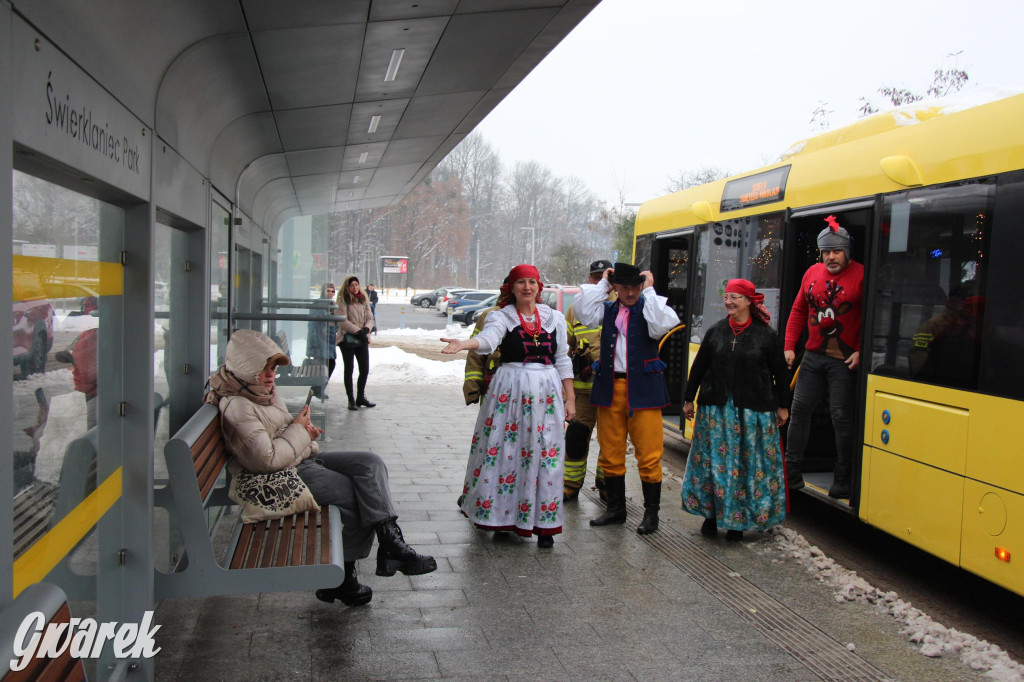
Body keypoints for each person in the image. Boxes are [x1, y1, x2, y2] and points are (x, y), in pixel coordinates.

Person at [206, 329, 436, 607]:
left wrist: (300, 431)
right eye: (262, 369)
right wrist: (298, 430)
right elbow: (265, 461)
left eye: (272, 368)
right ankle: (342, 580)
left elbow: (279, 436)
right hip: (281, 477)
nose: (270, 375)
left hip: (299, 459)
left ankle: (390, 542)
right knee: (356, 495)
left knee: (369, 464)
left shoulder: (258, 392)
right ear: (244, 369)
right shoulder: (240, 407)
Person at [441, 264, 575, 548]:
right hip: (509, 390)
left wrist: (570, 398)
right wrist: (465, 343)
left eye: (532, 282)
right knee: (506, 452)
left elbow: (562, 358)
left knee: (545, 454)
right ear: (511, 288)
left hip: (547, 393)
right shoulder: (501, 317)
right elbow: (488, 340)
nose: (527, 287)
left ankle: (544, 525)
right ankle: (501, 516)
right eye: (521, 283)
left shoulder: (555, 318)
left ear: (539, 286)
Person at [574, 263, 680, 535]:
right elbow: (583, 311)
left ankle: (651, 513)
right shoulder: (607, 310)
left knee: (649, 453)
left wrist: (651, 288)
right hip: (610, 388)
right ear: (616, 289)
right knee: (611, 452)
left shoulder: (648, 308)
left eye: (635, 287)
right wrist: (603, 285)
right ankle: (616, 509)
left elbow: (665, 323)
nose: (631, 292)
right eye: (624, 287)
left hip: (643, 391)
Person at [681, 279, 789, 542]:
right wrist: (688, 399)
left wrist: (783, 406)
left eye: (735, 297)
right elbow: (699, 367)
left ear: (750, 302)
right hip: (716, 410)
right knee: (714, 465)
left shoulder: (766, 335)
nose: (729, 302)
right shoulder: (716, 331)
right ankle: (712, 515)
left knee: (744, 466)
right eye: (727, 296)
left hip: (752, 412)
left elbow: (781, 374)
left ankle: (737, 523)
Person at [784, 215, 864, 499]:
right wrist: (790, 346)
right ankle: (791, 473)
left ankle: (843, 479)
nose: (831, 257)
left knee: (841, 417)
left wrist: (861, 350)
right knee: (799, 411)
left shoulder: (862, 274)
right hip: (813, 356)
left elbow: (874, 316)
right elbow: (797, 311)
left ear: (847, 252)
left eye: (836, 251)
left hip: (844, 361)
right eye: (826, 252)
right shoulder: (811, 273)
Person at [562, 259, 614, 503]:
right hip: (583, 393)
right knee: (575, 439)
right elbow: (563, 351)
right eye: (594, 278)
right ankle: (570, 485)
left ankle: (607, 485)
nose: (597, 282)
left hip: (613, 391)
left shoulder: (621, 306)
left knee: (610, 441)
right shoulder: (576, 310)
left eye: (602, 278)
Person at [462, 279, 506, 406]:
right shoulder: (491, 315)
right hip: (494, 382)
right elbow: (475, 355)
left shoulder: (539, 317)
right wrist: (472, 387)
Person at [336, 275, 376, 410]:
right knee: (349, 369)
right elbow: (342, 320)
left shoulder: (363, 299)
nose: (355, 287)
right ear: (347, 287)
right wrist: (357, 331)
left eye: (357, 285)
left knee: (364, 368)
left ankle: (360, 397)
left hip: (362, 338)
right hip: (347, 339)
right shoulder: (343, 300)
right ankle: (351, 400)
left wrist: (366, 329)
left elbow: (370, 317)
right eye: (352, 285)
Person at [306, 282, 337, 400]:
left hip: (329, 338)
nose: (330, 293)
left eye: (332, 291)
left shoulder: (331, 304)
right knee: (327, 364)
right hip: (320, 339)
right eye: (328, 291)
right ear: (323, 291)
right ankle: (316, 389)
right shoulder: (318, 304)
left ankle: (317, 389)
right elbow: (314, 324)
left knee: (330, 363)